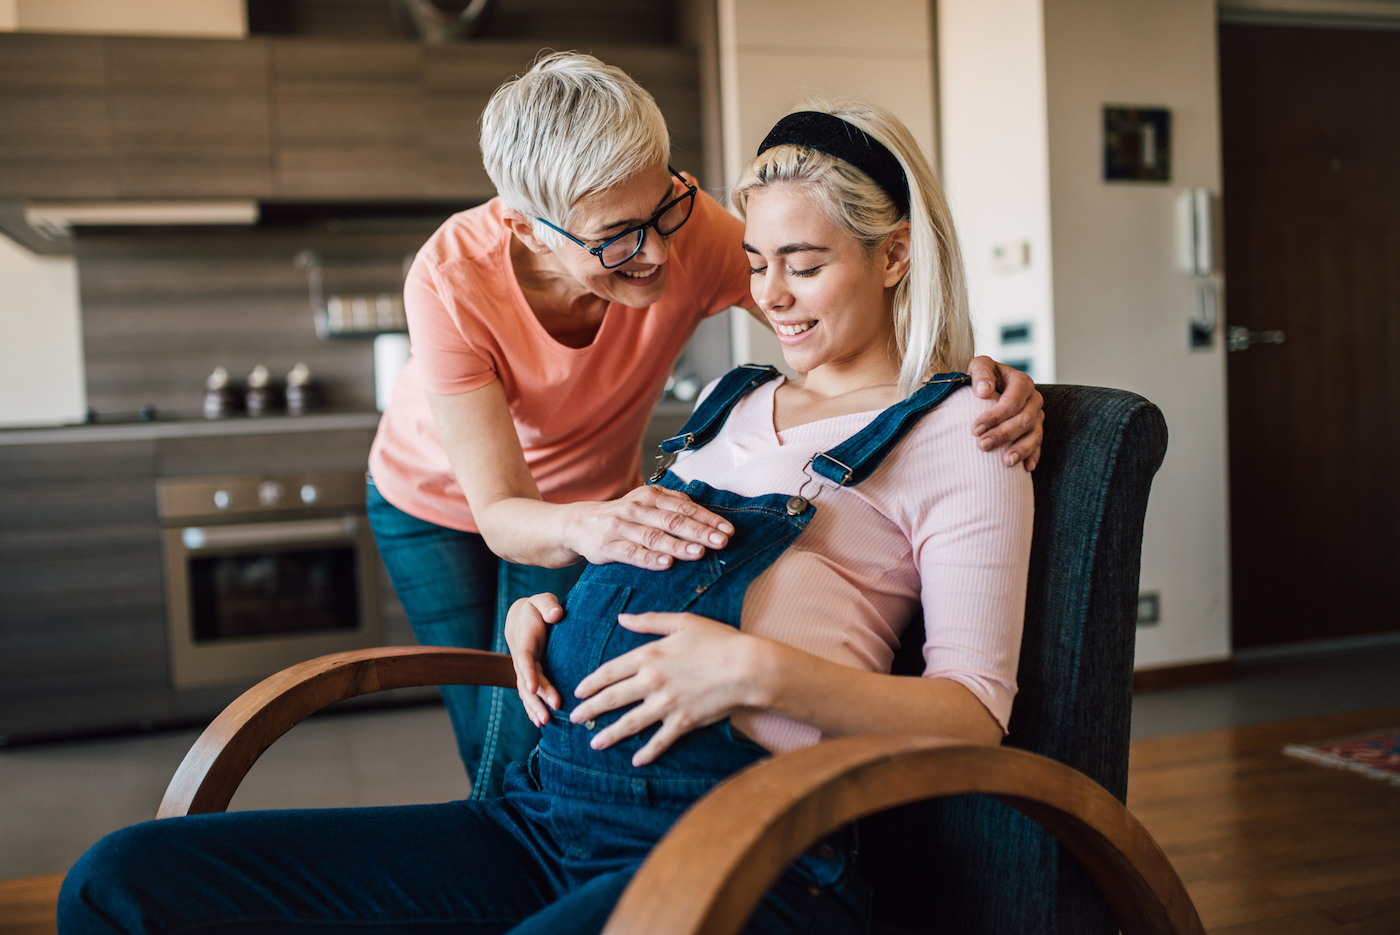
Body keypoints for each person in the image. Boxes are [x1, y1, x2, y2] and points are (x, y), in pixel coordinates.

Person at [60, 99, 1034, 935]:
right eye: (752, 261)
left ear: (895, 252)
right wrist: (558, 609)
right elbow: (590, 537)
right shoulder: (733, 400)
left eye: (802, 264)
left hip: (733, 844)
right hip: (542, 817)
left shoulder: (963, 432)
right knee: (121, 883)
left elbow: (971, 715)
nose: (766, 295)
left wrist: (756, 670)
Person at [366, 51, 1045, 799]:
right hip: (438, 499)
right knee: (495, 726)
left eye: (665, 208)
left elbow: (846, 330)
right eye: (618, 237)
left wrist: (969, 382)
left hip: (599, 500)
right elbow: (501, 512)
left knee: (531, 718)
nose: (658, 252)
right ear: (530, 230)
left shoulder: (693, 236)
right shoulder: (450, 279)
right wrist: (575, 563)